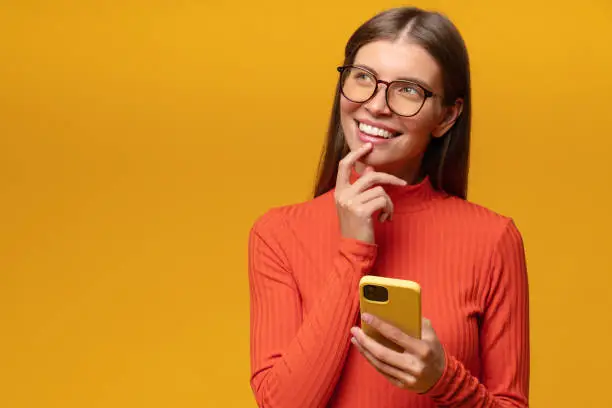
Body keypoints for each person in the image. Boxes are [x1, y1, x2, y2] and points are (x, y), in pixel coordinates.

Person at [247, 6, 529, 408]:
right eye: (363, 78)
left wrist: (443, 380)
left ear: (447, 116)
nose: (377, 105)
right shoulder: (277, 234)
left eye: (408, 89)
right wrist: (355, 251)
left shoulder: (493, 239)